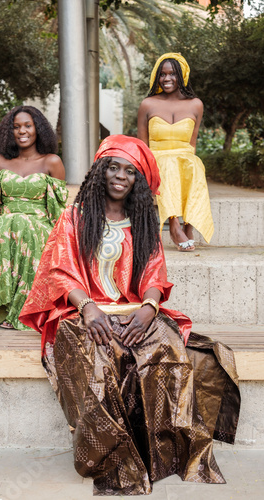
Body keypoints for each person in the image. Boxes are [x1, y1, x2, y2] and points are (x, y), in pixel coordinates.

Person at [19, 135, 240, 496]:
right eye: (113, 167)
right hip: (80, 311)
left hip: (133, 309)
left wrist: (150, 309)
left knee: (169, 348)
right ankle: (111, 458)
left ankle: (162, 455)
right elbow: (58, 271)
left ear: (139, 181)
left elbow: (155, 275)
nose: (120, 176)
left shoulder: (142, 223)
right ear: (99, 173)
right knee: (100, 357)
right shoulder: (73, 218)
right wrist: (87, 307)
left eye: (130, 171)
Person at [0, 105, 68, 330]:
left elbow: (59, 206)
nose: (22, 131)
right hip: (7, 226)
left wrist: (62, 240)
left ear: (38, 130)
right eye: (16, 127)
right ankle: (1, 307)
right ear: (10, 132)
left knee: (21, 222)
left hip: (39, 226)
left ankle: (22, 311)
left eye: (28, 125)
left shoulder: (52, 161)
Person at [137, 52, 214, 252]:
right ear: (157, 76)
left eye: (172, 74)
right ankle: (173, 224)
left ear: (182, 76)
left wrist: (190, 161)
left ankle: (189, 223)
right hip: (157, 158)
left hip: (183, 156)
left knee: (194, 163)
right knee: (169, 163)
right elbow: (142, 145)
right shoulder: (148, 104)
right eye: (162, 74)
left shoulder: (196, 104)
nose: (167, 79)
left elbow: (192, 144)